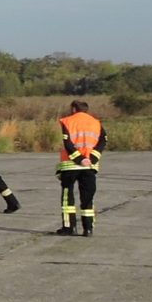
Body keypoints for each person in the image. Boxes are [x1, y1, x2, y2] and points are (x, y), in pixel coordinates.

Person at [55, 99, 106, 237]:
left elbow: (68, 143)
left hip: (70, 166)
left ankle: (69, 227)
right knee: (88, 198)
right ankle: (88, 229)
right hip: (89, 166)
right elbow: (102, 141)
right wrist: (92, 158)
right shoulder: (96, 122)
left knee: (68, 198)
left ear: (73, 109)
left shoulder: (67, 121)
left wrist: (79, 159)